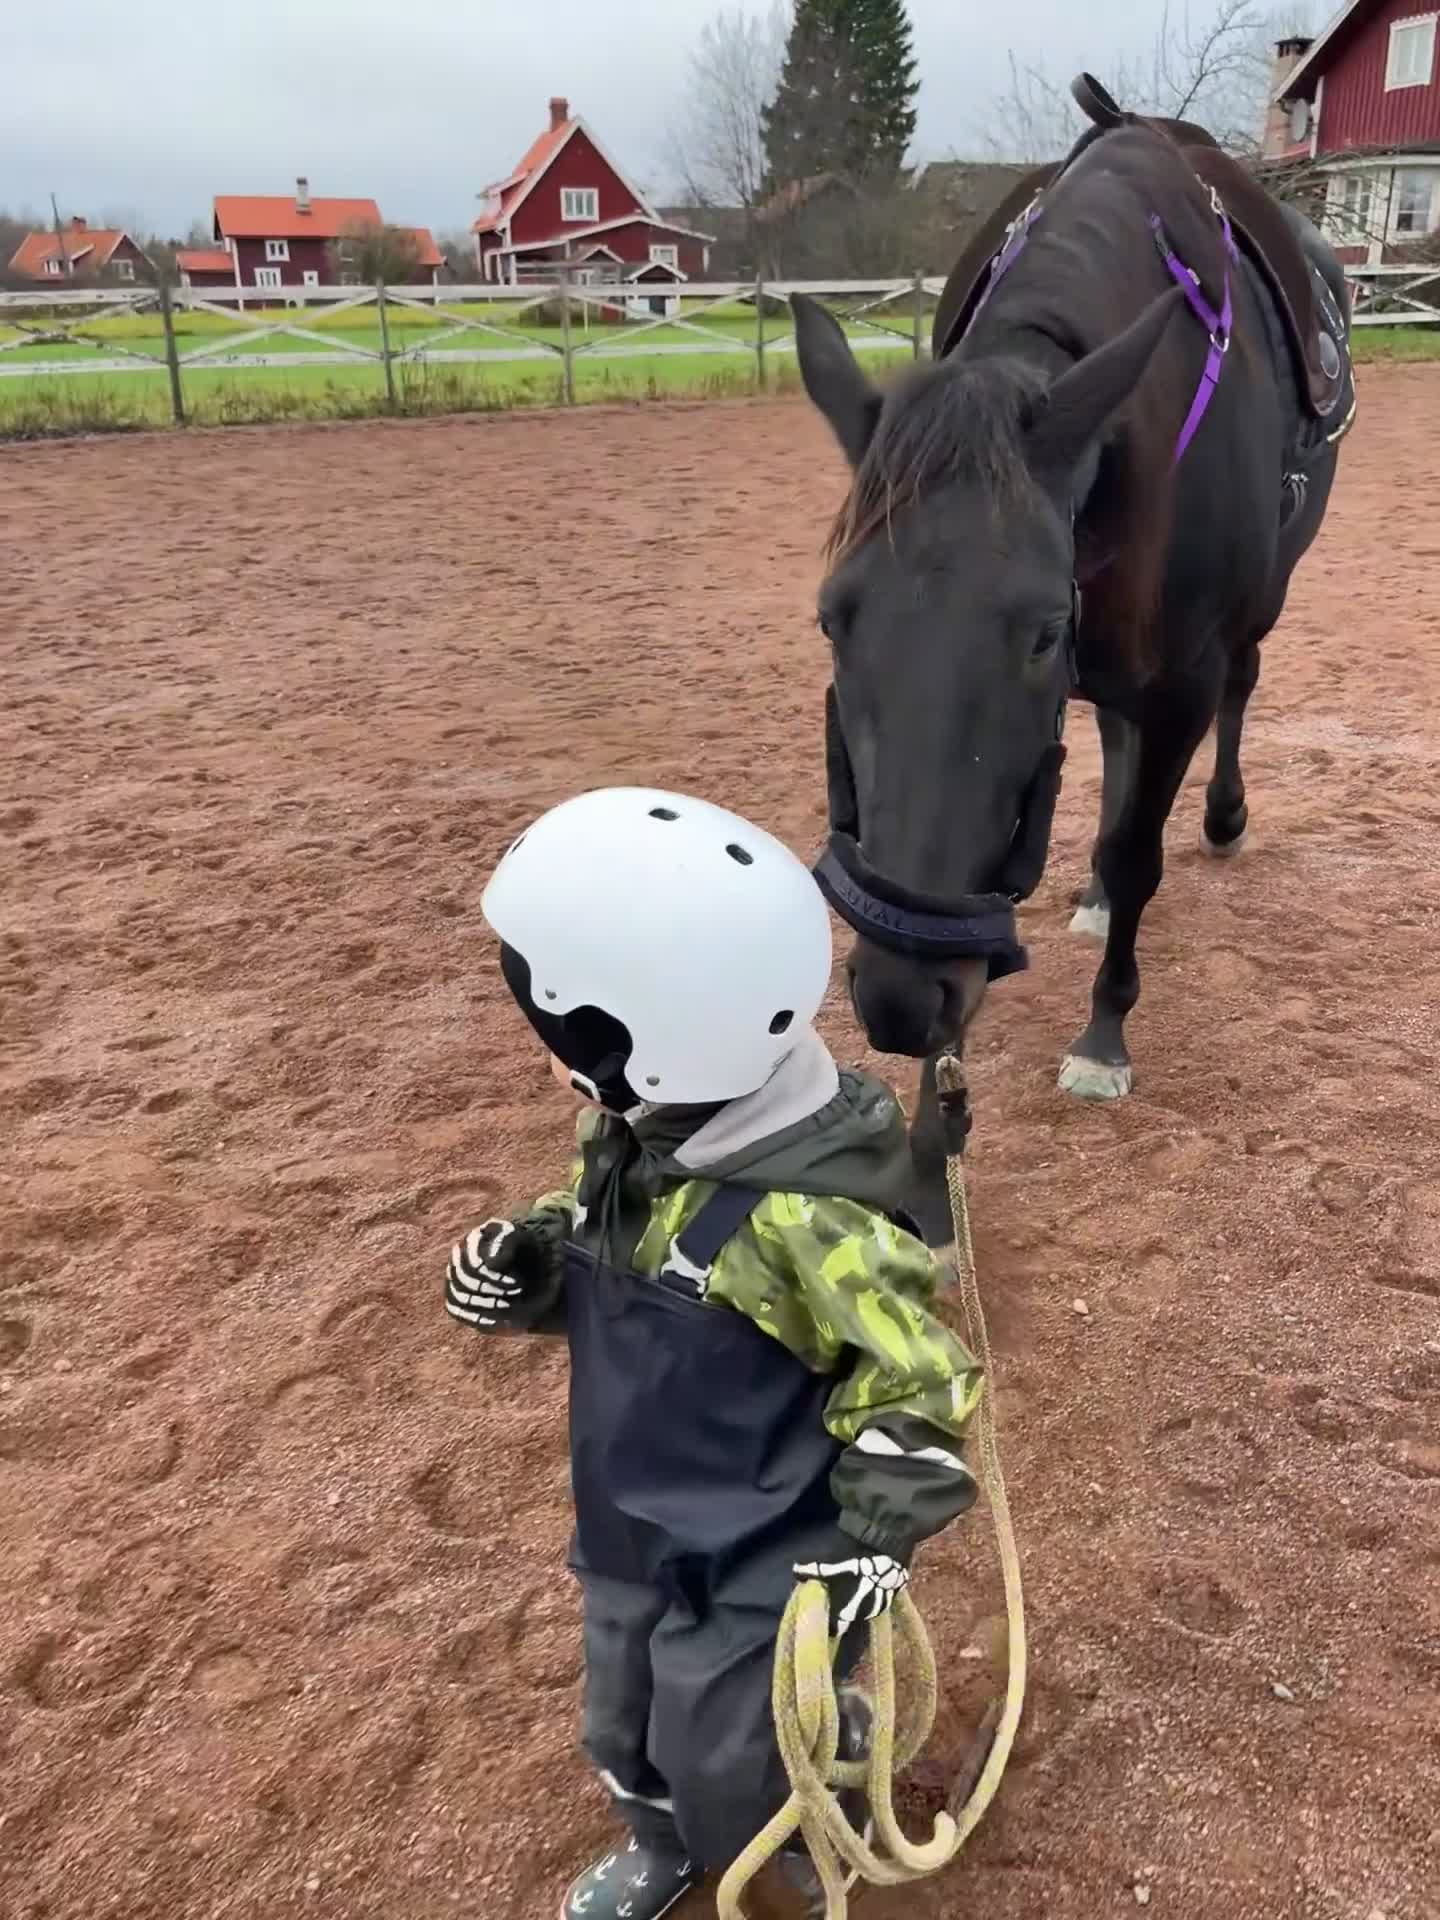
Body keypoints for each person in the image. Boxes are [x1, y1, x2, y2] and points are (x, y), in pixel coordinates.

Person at [445, 787, 983, 1920]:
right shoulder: (642, 1133)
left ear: (642, 1046)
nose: (547, 1065)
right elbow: (610, 1246)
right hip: (635, 1513)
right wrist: (533, 1263)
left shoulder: (805, 1223)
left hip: (771, 1548)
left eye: (558, 1042)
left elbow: (923, 1375)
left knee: (723, 1742)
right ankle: (661, 1838)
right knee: (625, 1706)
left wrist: (873, 1543)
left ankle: (765, 1849)